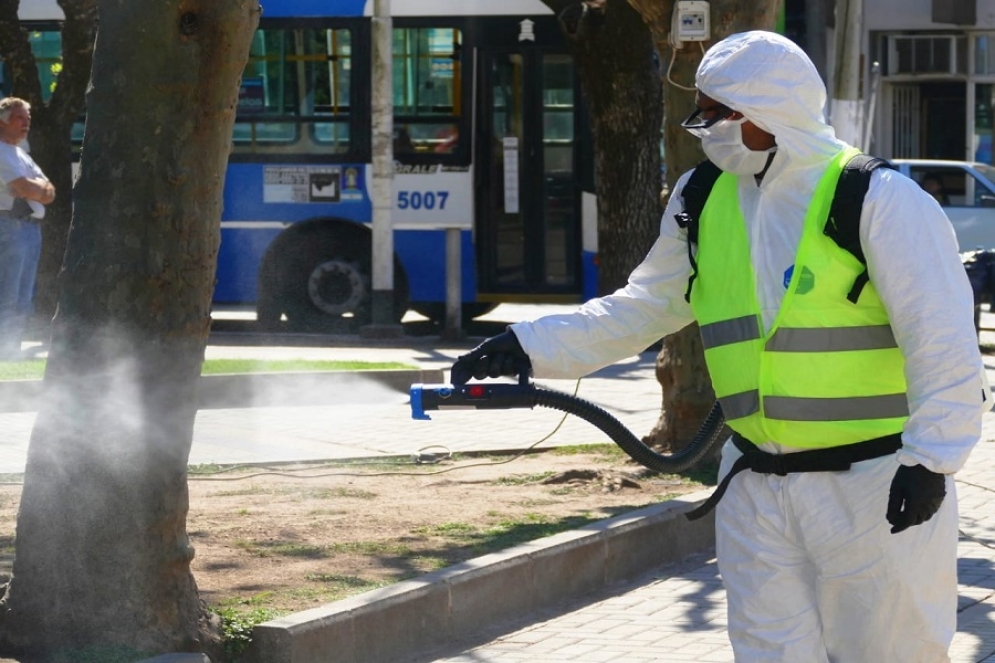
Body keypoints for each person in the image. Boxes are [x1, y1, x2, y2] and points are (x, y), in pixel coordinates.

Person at [451, 31, 991, 662]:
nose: (702, 128)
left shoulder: (876, 199)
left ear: (767, 114)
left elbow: (942, 338)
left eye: (715, 113)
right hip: (757, 487)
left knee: (891, 653)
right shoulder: (703, 198)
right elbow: (646, 305)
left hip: (874, 485)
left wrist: (932, 460)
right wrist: (527, 344)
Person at [0, 97, 54, 360]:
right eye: (20, 118)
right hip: (8, 226)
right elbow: (26, 188)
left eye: (28, 119)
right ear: (3, 120)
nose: (26, 123)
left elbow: (50, 190)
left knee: (24, 295)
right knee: (8, 293)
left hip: (30, 228)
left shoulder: (21, 153)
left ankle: (11, 350)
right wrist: (36, 188)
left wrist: (36, 188)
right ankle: (4, 351)